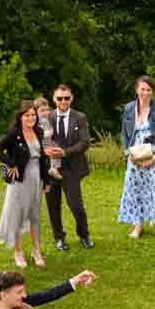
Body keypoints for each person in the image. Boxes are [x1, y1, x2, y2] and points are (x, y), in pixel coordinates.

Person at [118, 76, 155, 241]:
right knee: (135, 190)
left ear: (152, 91)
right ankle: (138, 225)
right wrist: (129, 154)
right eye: (142, 89)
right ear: (137, 90)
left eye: (149, 89)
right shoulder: (129, 108)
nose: (145, 93)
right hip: (135, 155)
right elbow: (125, 133)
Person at [0, 103, 47, 269]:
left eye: (33, 115)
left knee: (35, 215)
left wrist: (46, 180)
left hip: (37, 176)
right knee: (18, 214)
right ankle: (18, 252)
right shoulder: (14, 134)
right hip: (20, 180)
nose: (31, 118)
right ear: (20, 118)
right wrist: (11, 164)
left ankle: (37, 251)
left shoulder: (39, 131)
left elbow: (43, 157)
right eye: (27, 115)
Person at [42, 83, 93, 251]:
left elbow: (85, 142)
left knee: (76, 205)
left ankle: (84, 234)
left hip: (71, 167)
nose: (63, 101)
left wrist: (64, 152)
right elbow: (41, 141)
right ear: (54, 99)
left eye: (66, 98)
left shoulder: (80, 117)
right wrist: (48, 152)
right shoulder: (46, 118)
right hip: (50, 169)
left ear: (72, 99)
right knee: (53, 206)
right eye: (59, 98)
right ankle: (59, 238)